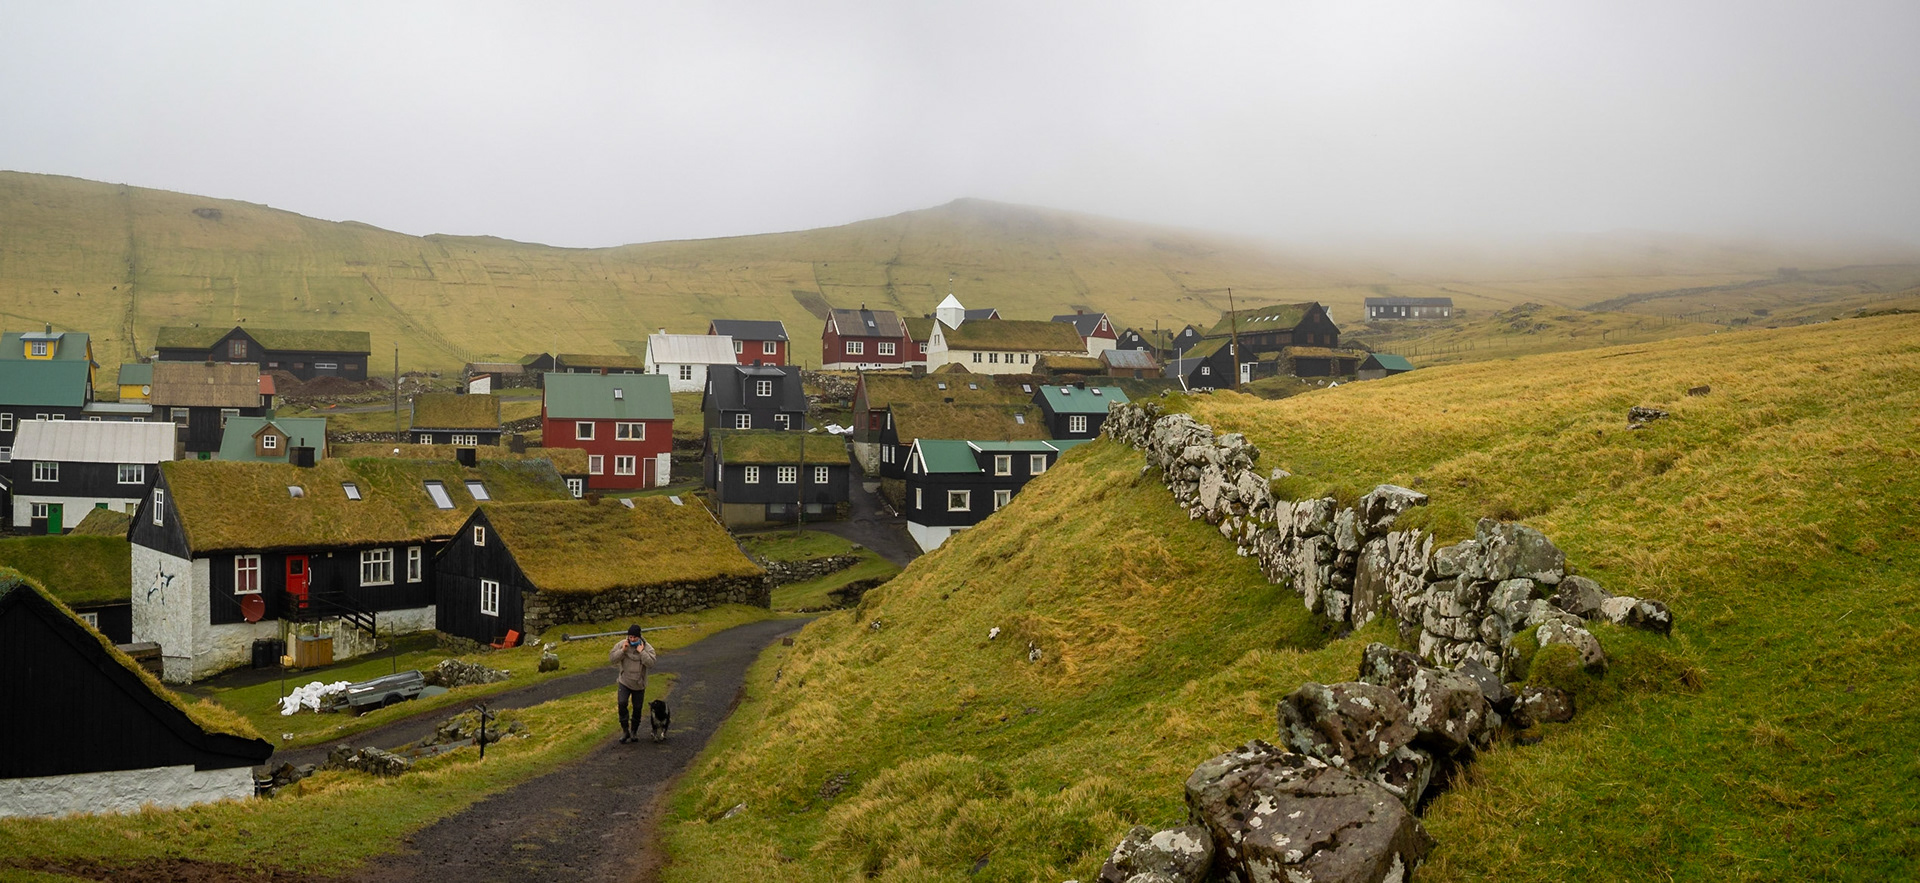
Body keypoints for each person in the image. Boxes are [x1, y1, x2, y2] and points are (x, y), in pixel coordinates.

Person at [609, 624, 658, 744]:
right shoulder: (622, 644)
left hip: (639, 683)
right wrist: (622, 651)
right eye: (630, 637)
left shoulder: (647, 648)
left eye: (634, 637)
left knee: (637, 708)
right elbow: (612, 659)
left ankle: (634, 731)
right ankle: (625, 731)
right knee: (622, 703)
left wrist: (641, 652)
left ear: (639, 637)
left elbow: (651, 663)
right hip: (624, 681)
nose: (632, 639)